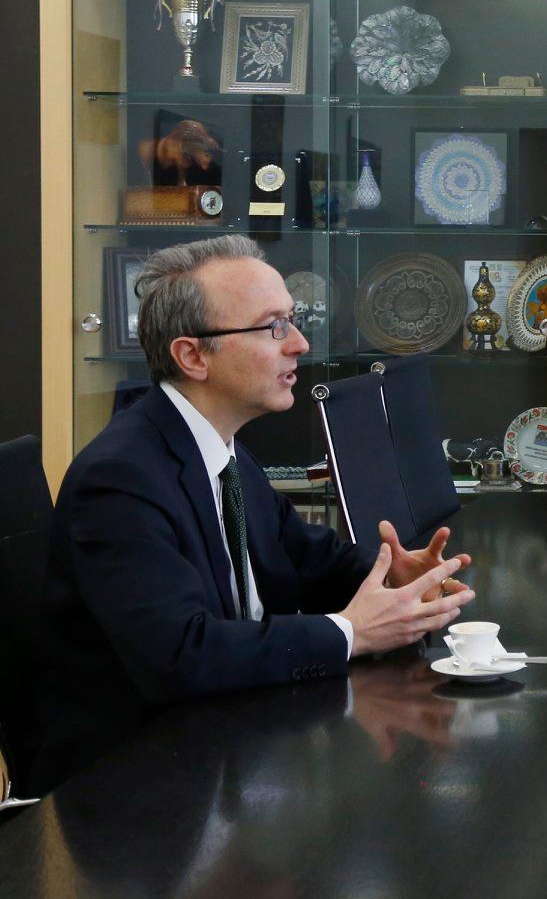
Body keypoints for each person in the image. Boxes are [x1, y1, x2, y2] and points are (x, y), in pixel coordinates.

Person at [37, 236, 475, 787]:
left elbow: (308, 558)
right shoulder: (121, 479)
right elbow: (181, 655)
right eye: (273, 327)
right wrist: (351, 632)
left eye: (292, 320)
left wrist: (391, 579)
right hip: (137, 781)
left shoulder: (222, 449)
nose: (300, 344)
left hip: (231, 742)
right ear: (193, 356)